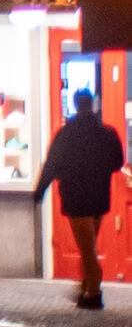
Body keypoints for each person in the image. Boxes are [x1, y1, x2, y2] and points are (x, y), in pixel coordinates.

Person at [39, 87, 125, 309]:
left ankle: (94, 293)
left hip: (76, 197)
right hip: (99, 197)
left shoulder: (66, 133)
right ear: (92, 104)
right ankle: (87, 286)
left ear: (76, 105)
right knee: (89, 245)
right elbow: (118, 161)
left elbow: (52, 164)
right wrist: (100, 169)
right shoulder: (107, 133)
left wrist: (40, 190)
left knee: (87, 249)